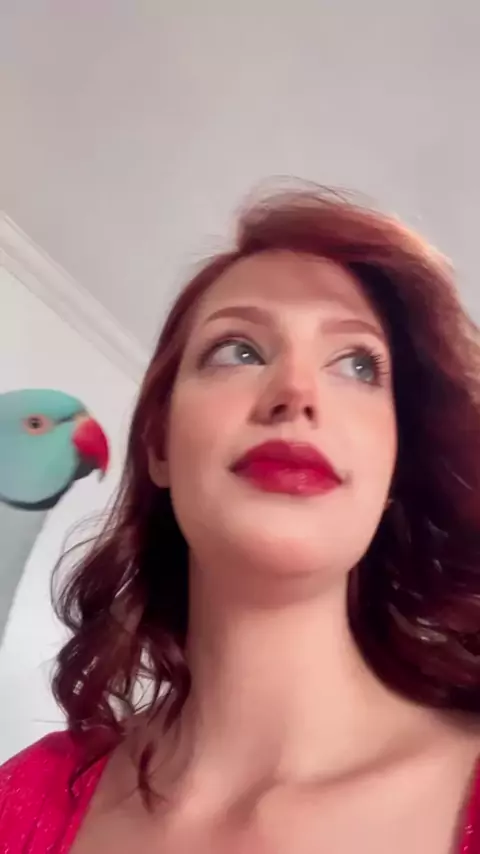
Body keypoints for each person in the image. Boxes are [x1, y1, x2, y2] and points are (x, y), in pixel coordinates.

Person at [2, 186, 480, 854]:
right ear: (159, 445)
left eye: (358, 364)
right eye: (239, 350)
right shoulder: (20, 800)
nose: (296, 393)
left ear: (397, 466)